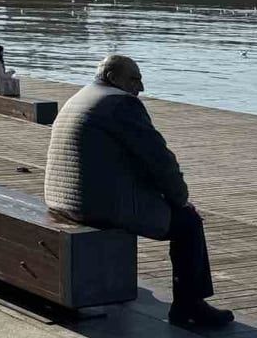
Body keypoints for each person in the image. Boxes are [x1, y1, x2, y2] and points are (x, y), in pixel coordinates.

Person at [45, 55, 233, 329]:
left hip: (63, 200)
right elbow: (159, 160)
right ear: (112, 77)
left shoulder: (82, 96)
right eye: (134, 79)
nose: (141, 87)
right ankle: (189, 306)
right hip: (96, 206)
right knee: (188, 223)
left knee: (172, 211)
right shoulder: (120, 104)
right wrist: (180, 200)